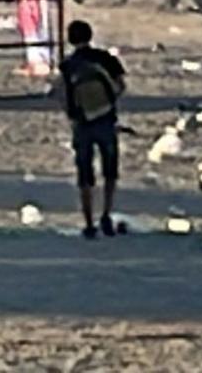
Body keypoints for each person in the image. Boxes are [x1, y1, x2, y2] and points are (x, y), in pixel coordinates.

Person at [56, 20, 126, 239]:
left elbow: (62, 93)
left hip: (81, 123)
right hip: (106, 119)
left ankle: (88, 221)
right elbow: (120, 86)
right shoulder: (106, 59)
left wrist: (73, 112)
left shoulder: (68, 65)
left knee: (85, 173)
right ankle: (106, 212)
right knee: (110, 170)